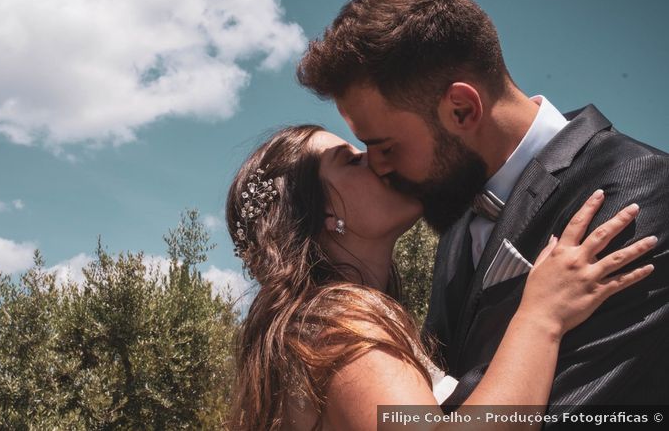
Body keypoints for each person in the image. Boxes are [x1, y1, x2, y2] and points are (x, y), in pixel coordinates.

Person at [295, 0, 669, 414]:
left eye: (386, 146)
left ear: (462, 109)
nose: (377, 165)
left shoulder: (637, 191)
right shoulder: (457, 222)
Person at [226, 125, 654, 430]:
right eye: (351, 160)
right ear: (324, 211)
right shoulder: (333, 328)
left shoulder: (321, 323)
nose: (374, 158)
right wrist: (542, 317)